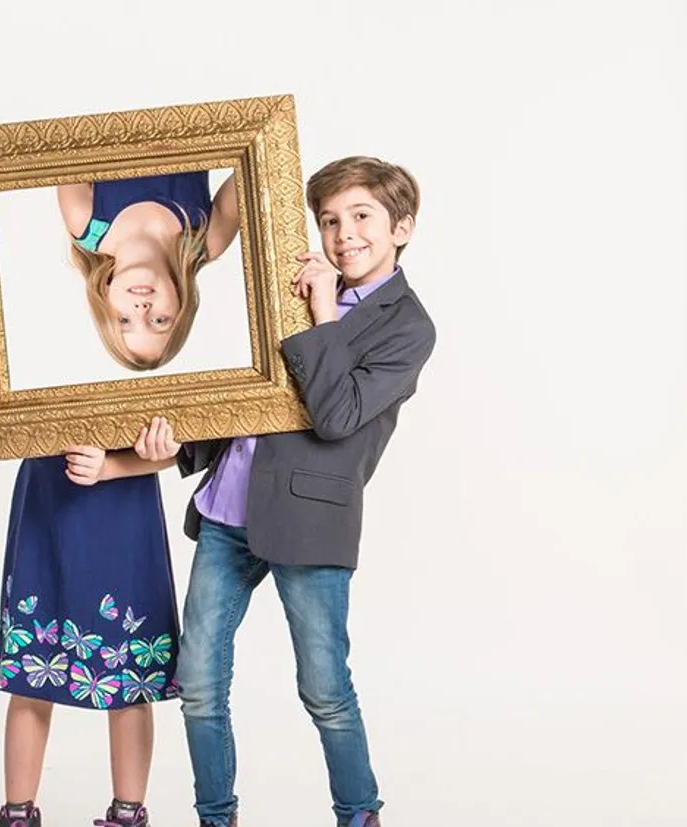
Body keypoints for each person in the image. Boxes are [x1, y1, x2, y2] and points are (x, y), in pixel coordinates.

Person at [150, 156, 437, 827]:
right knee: (198, 684)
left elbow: (335, 414)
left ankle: (358, 813)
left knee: (325, 689)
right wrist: (182, 442)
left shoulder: (409, 327)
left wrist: (323, 310)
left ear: (403, 228)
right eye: (331, 220)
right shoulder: (293, 276)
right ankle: (215, 816)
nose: (343, 235)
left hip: (309, 522)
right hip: (229, 508)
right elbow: (258, 390)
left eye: (362, 217)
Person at [0, 280, 183, 827]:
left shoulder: (167, 300)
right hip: (49, 494)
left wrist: (117, 466)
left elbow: (191, 430)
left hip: (123, 509)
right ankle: (18, 813)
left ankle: (128, 813)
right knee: (32, 670)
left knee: (127, 674)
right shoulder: (55, 285)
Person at [58, 170, 240, 370]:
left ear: (105, 299)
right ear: (181, 305)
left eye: (124, 320)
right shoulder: (207, 239)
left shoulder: (83, 219)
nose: (142, 310)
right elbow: (261, 159)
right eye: (159, 321)